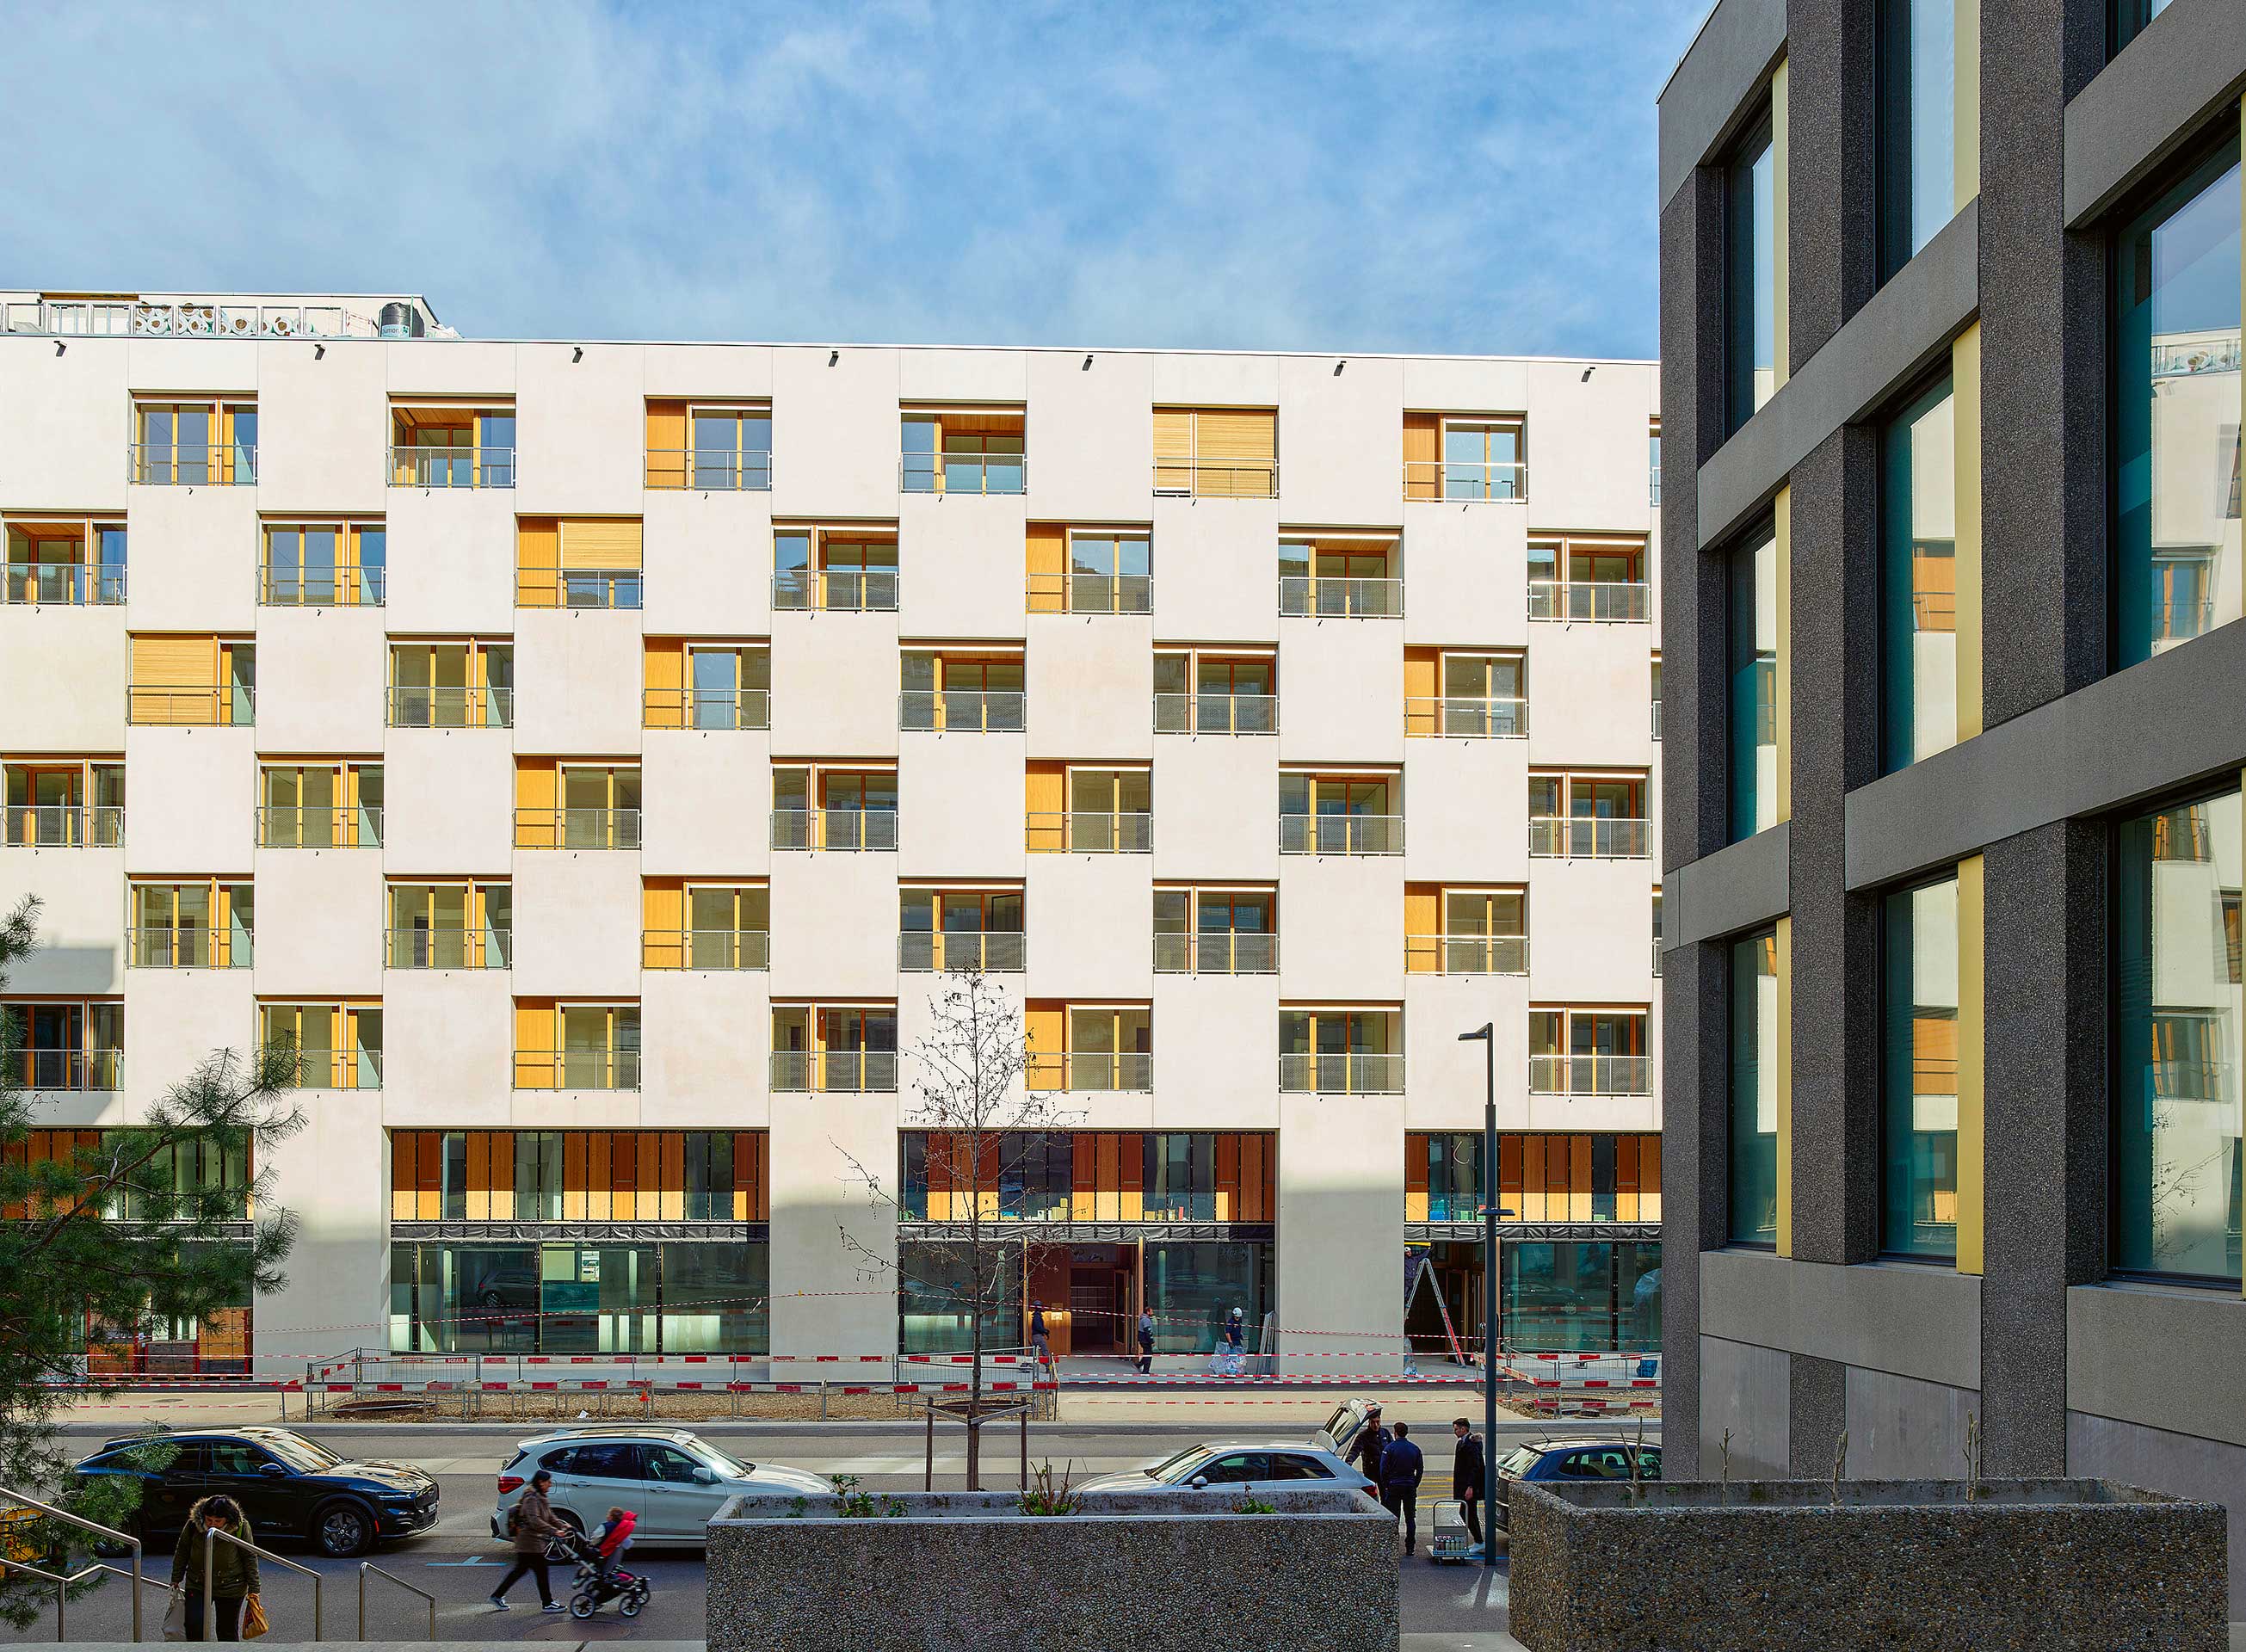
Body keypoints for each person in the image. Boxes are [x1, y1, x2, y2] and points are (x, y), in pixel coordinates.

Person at [170, 1495, 259, 1643]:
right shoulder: (194, 1524)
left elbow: (249, 1556)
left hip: (231, 1584)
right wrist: (176, 1578)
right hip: (198, 1582)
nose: (212, 1524)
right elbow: (183, 1550)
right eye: (209, 1520)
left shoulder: (241, 1527)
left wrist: (254, 1588)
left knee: (227, 1630)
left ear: (228, 1520)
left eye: (218, 1521)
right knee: (194, 1625)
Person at [491, 1470, 569, 1612]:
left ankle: (497, 1595)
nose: (550, 1485)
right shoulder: (532, 1498)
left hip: (532, 1542)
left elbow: (550, 1516)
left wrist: (563, 1525)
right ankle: (547, 1603)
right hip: (529, 1542)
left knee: (522, 1571)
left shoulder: (540, 1496)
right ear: (540, 1482)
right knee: (540, 1572)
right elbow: (535, 1521)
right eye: (548, 1482)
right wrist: (554, 1531)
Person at [1383, 1420, 1426, 1556]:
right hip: (1409, 1486)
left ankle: (1393, 1546)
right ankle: (1410, 1547)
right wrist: (1415, 1484)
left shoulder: (1389, 1448)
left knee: (1394, 1517)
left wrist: (1386, 1485)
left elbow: (1383, 1469)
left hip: (1394, 1485)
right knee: (1410, 1518)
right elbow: (1420, 1469)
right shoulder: (1415, 1449)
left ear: (1395, 1433)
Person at [1452, 1417, 1487, 1550]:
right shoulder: (1463, 1442)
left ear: (1463, 1429)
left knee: (1468, 1512)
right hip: (1465, 1484)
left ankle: (1479, 1541)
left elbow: (1474, 1467)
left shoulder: (1470, 1444)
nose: (1455, 1432)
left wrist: (1470, 1487)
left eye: (1456, 1429)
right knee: (1467, 1511)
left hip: (1469, 1486)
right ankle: (1478, 1540)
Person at [1347, 1403, 1389, 1490]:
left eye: (1378, 1422)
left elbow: (1392, 1449)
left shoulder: (1385, 1433)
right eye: (1373, 1422)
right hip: (1371, 1472)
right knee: (1371, 1496)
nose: (1376, 1425)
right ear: (1369, 1422)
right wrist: (1349, 1460)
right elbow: (1355, 1450)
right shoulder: (1363, 1436)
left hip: (1384, 1471)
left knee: (1386, 1497)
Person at [1029, 1303, 1052, 1372]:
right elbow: (1038, 1327)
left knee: (1032, 1352)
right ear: (1039, 1307)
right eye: (1042, 1306)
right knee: (1045, 1351)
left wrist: (1044, 1331)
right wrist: (1045, 1331)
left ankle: (1024, 1366)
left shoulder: (1037, 1316)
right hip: (1038, 1336)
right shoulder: (1037, 1317)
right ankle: (1049, 1368)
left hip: (1036, 1336)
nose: (1043, 1308)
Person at [1136, 1309, 1155, 1375]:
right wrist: (1151, 1341)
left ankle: (1139, 1364)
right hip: (1145, 1340)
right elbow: (1148, 1331)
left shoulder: (1143, 1319)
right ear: (1148, 1312)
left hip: (1143, 1339)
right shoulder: (1146, 1320)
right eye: (1151, 1311)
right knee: (1148, 1355)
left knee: (1146, 1353)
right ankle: (1145, 1371)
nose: (1152, 1313)